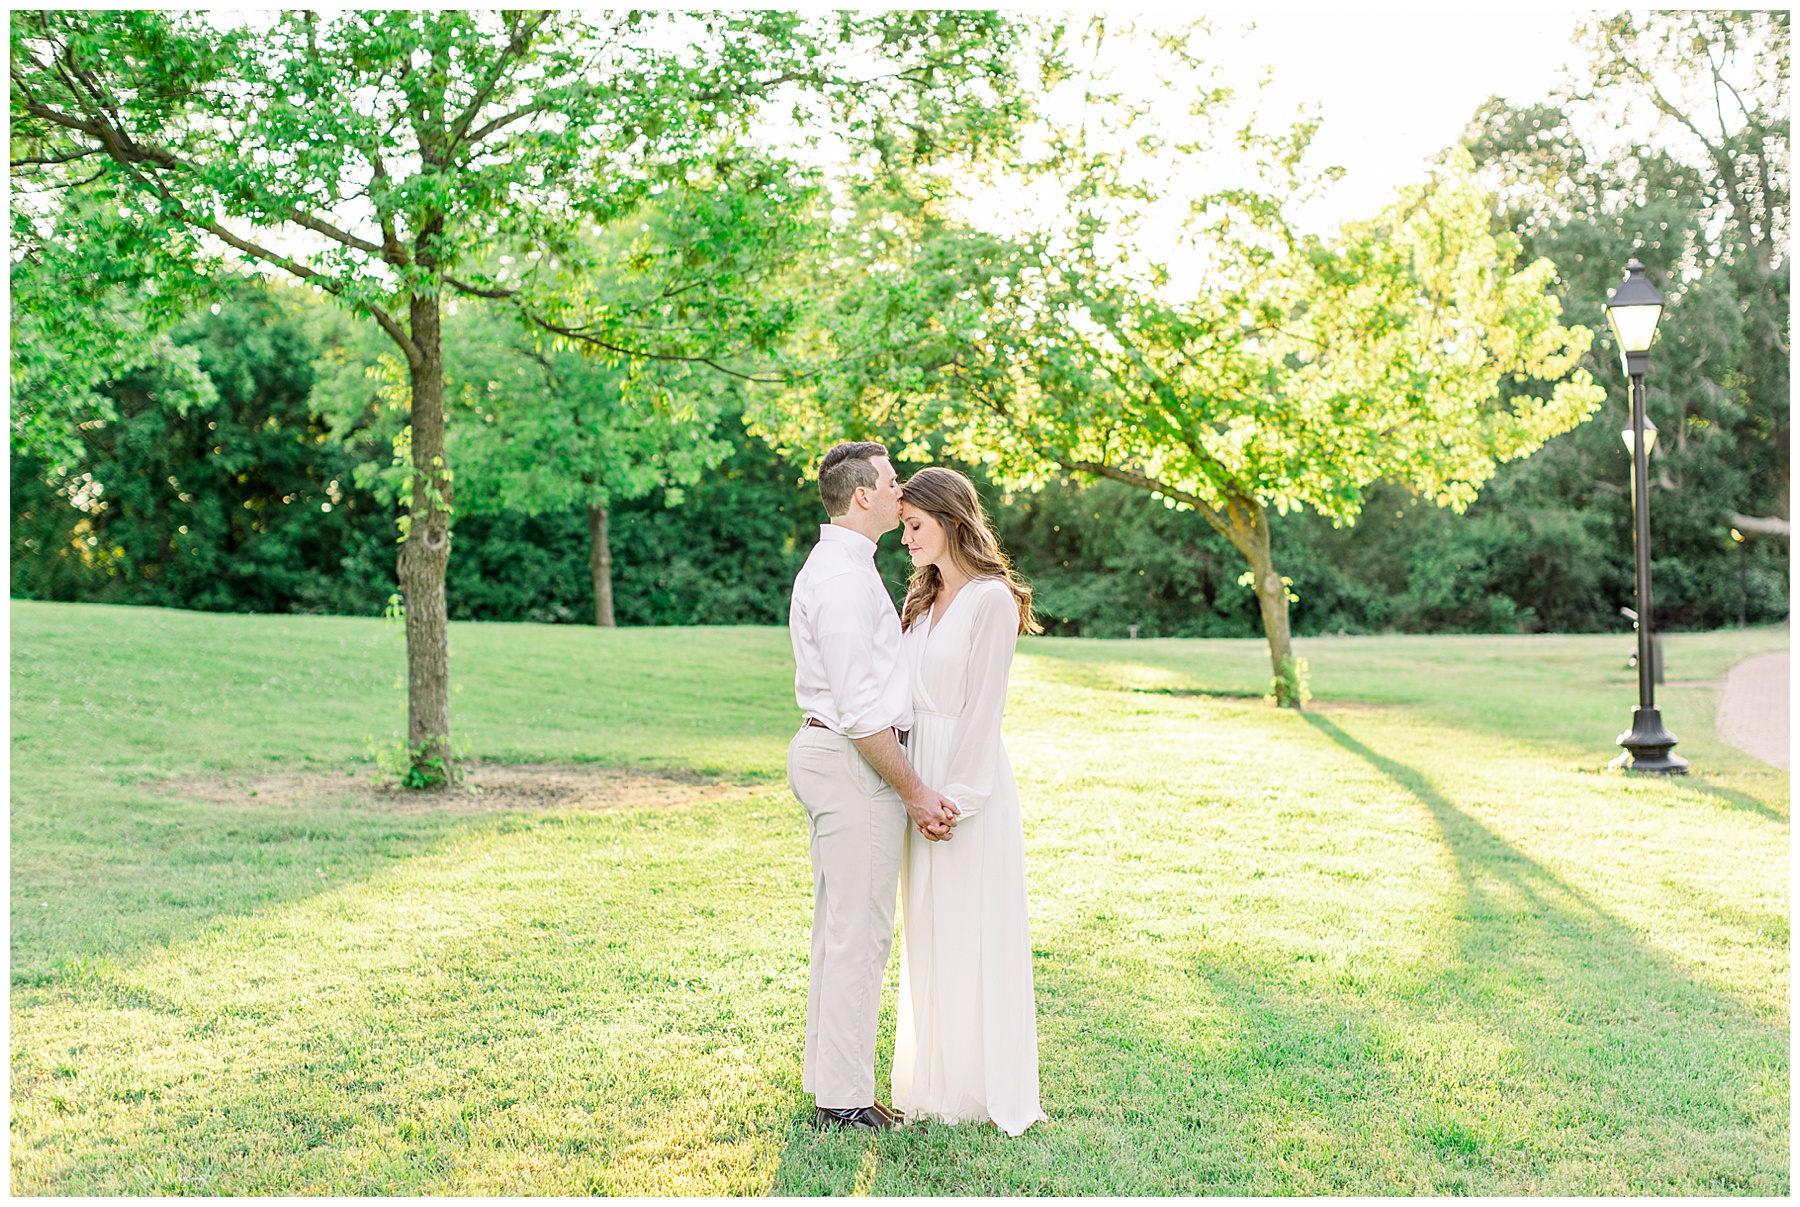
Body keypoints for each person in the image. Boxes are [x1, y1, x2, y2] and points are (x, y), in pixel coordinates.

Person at [786, 441, 962, 1133]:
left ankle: (829, 1080)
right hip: (849, 761)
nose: (900, 493)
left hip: (836, 754)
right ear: (863, 495)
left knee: (841, 928)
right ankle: (845, 1098)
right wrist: (917, 791)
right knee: (858, 933)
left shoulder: (848, 568)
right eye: (891, 482)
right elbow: (862, 713)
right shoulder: (841, 579)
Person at [890, 466, 1047, 1137]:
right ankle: (935, 1079)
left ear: (951, 521)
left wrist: (954, 799)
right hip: (915, 777)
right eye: (900, 526)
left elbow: (985, 708)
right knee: (925, 928)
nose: (904, 538)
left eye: (914, 525)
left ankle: (979, 1088)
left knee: (969, 928)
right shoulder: (921, 601)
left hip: (962, 785)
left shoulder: (990, 599)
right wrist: (906, 787)